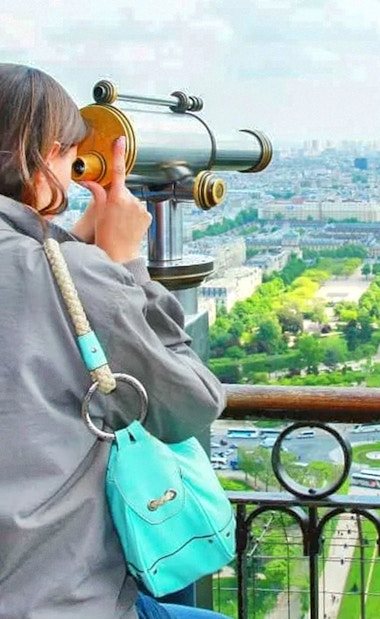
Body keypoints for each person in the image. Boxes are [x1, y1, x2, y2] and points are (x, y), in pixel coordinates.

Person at [0, 63, 229, 619]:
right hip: (57, 601)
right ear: (45, 155)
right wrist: (126, 266)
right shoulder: (72, 274)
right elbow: (191, 405)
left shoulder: (59, 269)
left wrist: (67, 246)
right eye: (69, 158)